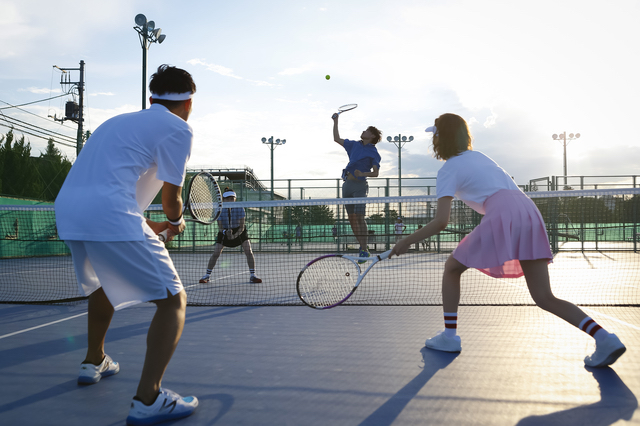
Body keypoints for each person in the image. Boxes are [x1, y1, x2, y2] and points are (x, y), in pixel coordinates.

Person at [390, 113, 626, 368]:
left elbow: (441, 221)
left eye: (434, 135)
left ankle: (449, 336)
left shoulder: (447, 169)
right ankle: (605, 338)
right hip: (528, 210)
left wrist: (407, 241)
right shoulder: (480, 156)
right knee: (544, 297)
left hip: (504, 212)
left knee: (451, 268)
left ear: (440, 139)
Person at [55, 65, 199, 424]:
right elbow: (172, 201)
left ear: (152, 98)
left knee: (102, 285)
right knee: (173, 301)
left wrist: (152, 228)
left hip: (70, 211)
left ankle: (93, 360)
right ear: (188, 103)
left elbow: (112, 190)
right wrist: (176, 223)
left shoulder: (116, 123)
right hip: (108, 214)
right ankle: (148, 399)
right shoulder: (179, 128)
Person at [331, 112, 382, 262]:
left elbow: (376, 173)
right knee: (352, 219)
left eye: (367, 130)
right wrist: (335, 121)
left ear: (372, 136)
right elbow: (336, 138)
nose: (363, 131)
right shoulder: (353, 144)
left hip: (360, 186)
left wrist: (363, 173)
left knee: (360, 217)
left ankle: (364, 249)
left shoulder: (373, 152)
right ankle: (362, 248)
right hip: (347, 185)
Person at [199, 188, 262, 284]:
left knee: (249, 251)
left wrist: (234, 235)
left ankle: (253, 275)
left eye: (232, 198)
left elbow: (242, 226)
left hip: (239, 230)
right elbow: (220, 226)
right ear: (224, 200)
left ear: (235, 199)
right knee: (216, 253)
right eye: (228, 198)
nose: (230, 200)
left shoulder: (240, 207)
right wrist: (225, 232)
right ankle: (207, 276)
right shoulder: (219, 209)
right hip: (224, 231)